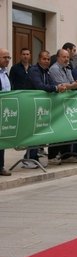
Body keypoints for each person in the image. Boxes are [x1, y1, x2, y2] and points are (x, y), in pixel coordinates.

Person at [49, 49, 77, 164]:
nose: (66, 59)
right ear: (58, 58)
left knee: (66, 129)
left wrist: (76, 84)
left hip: (68, 103)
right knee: (58, 129)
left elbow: (72, 83)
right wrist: (75, 85)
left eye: (67, 57)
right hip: (57, 103)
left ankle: (66, 155)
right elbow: (61, 85)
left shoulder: (68, 69)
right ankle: (52, 155)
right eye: (64, 57)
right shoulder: (54, 69)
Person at [0, 48, 12, 176]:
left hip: (4, 110)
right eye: (4, 57)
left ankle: (0, 166)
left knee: (1, 139)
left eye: (9, 58)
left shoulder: (5, 73)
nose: (7, 60)